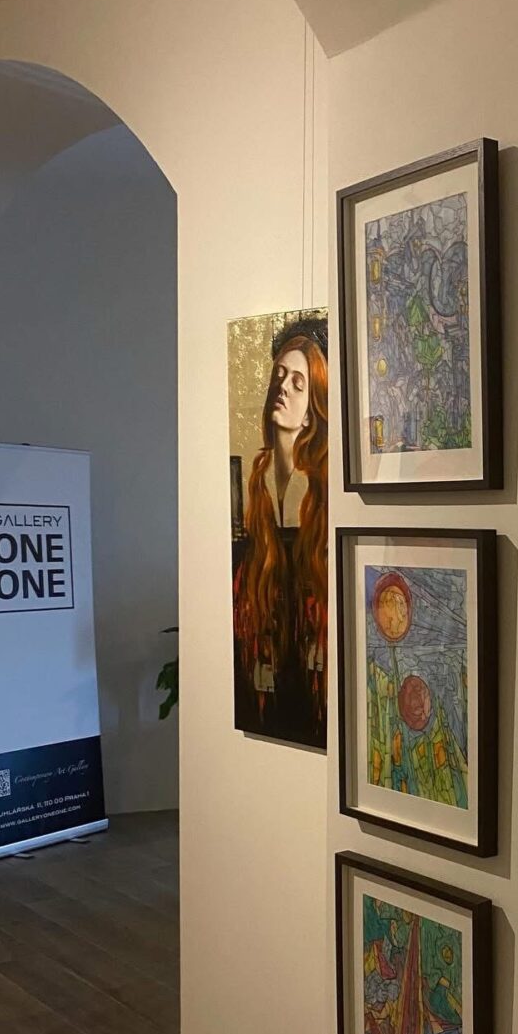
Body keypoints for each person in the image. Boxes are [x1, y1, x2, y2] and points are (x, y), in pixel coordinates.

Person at [232, 317, 328, 746]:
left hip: (311, 645)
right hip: (270, 637)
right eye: (279, 376)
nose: (283, 388)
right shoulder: (256, 479)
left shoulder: (321, 485)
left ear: (313, 409)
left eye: (298, 383)